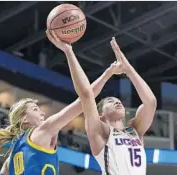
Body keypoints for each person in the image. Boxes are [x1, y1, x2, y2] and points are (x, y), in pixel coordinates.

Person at [0, 34, 124, 175]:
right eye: (35, 109)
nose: (42, 113)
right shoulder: (43, 131)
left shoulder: (13, 155)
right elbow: (84, 99)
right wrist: (107, 72)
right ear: (24, 119)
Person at [47, 31, 156, 175]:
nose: (118, 103)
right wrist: (69, 51)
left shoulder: (135, 130)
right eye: (111, 101)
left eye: (119, 102)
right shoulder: (100, 131)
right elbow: (86, 95)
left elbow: (151, 102)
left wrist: (128, 69)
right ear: (100, 114)